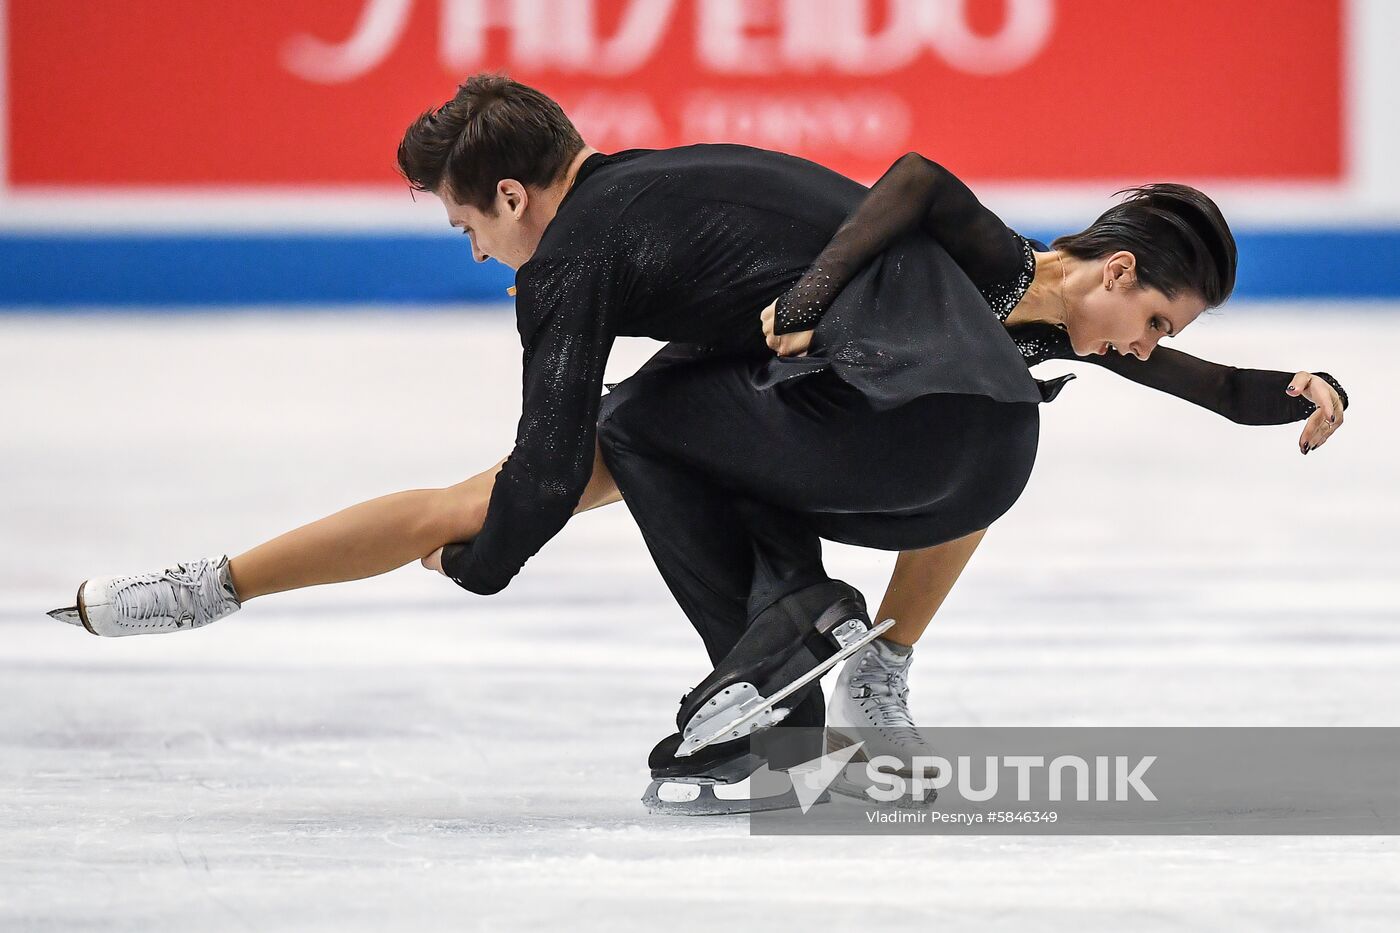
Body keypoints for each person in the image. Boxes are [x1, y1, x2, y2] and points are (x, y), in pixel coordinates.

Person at [47, 75, 1348, 814]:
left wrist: (1296, 387)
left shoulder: (603, 255)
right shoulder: (977, 268)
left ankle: (826, 642)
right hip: (852, 420)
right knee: (980, 409)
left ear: (511, 194)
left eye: (467, 228)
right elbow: (495, 491)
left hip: (864, 424)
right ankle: (827, 647)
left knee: (621, 444)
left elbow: (540, 477)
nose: (477, 250)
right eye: (1152, 318)